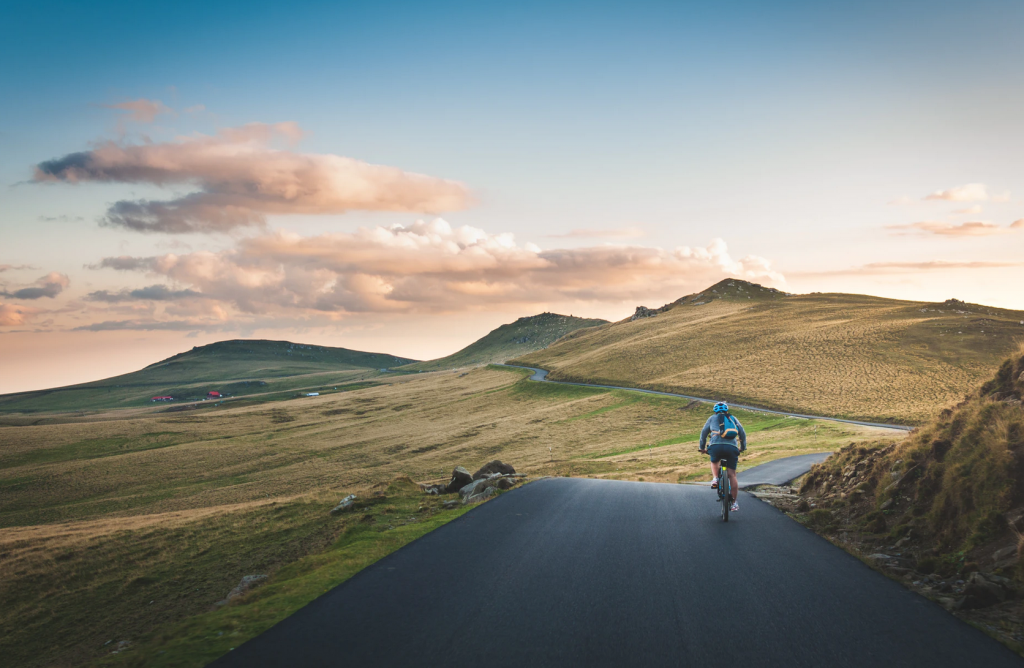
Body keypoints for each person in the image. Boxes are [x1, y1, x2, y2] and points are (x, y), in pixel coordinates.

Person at [699, 402, 747, 512]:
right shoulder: (733, 418)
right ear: (727, 410)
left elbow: (703, 434)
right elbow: (742, 433)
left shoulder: (712, 418)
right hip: (732, 448)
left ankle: (715, 478)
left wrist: (702, 448)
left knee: (714, 460)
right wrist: (743, 447)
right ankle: (734, 503)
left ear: (715, 411)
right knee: (732, 475)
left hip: (716, 446)